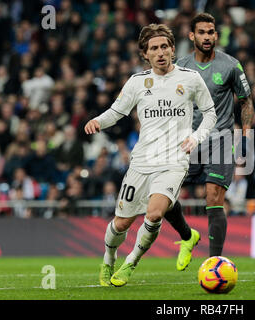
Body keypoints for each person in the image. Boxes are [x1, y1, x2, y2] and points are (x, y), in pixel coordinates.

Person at [84, 24, 217, 287]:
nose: (160, 52)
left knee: (155, 214)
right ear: (145, 54)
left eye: (164, 47)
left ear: (172, 49)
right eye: (154, 48)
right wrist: (97, 121)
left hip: (174, 161)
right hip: (142, 161)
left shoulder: (190, 78)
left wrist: (195, 137)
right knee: (121, 223)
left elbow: (210, 113)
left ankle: (130, 263)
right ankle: (109, 258)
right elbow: (116, 112)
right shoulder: (137, 82)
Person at [163, 13, 254, 270]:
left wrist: (246, 137)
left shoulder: (231, 65)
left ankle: (214, 263)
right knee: (164, 194)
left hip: (221, 138)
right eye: (201, 32)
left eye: (211, 32)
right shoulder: (179, 67)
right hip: (188, 140)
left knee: (213, 197)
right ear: (192, 36)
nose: (207, 37)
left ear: (216, 35)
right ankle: (187, 236)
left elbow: (246, 101)